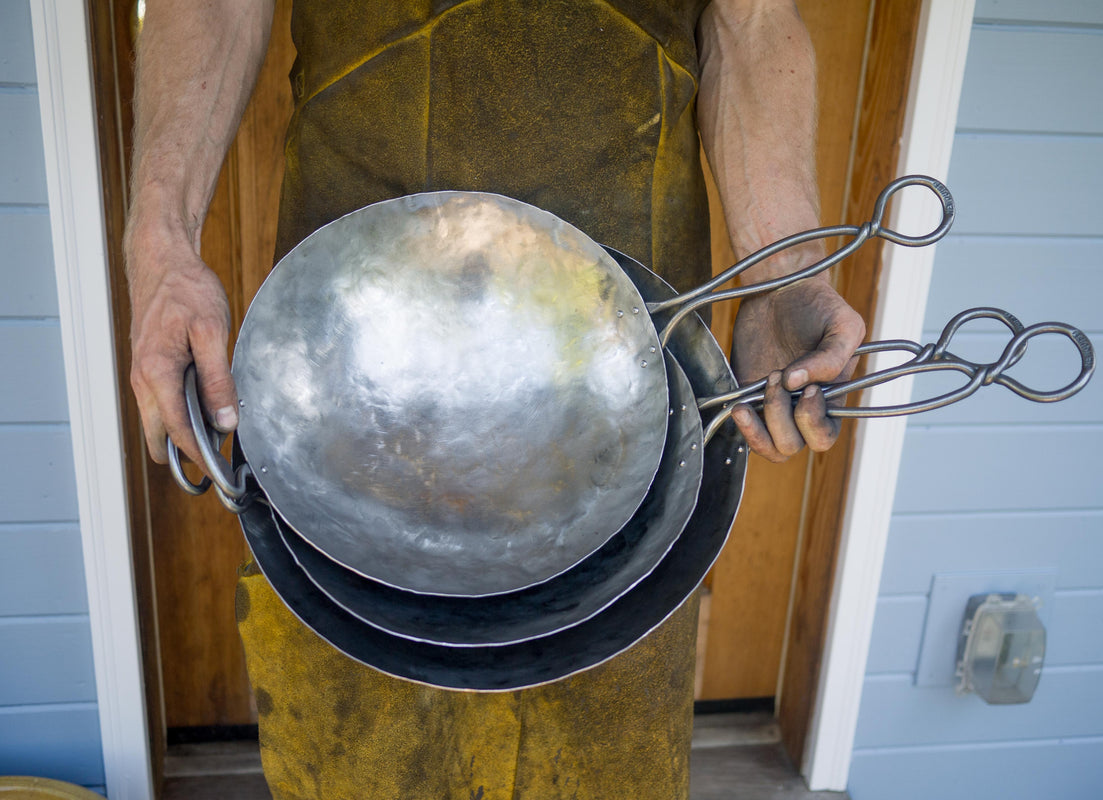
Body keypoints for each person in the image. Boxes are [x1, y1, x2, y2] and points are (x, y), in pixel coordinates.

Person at [125, 0, 866, 797]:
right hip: (358, 350)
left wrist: (780, 275)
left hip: (623, 349)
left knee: (601, 713)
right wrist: (159, 246)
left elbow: (750, 19)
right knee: (360, 727)